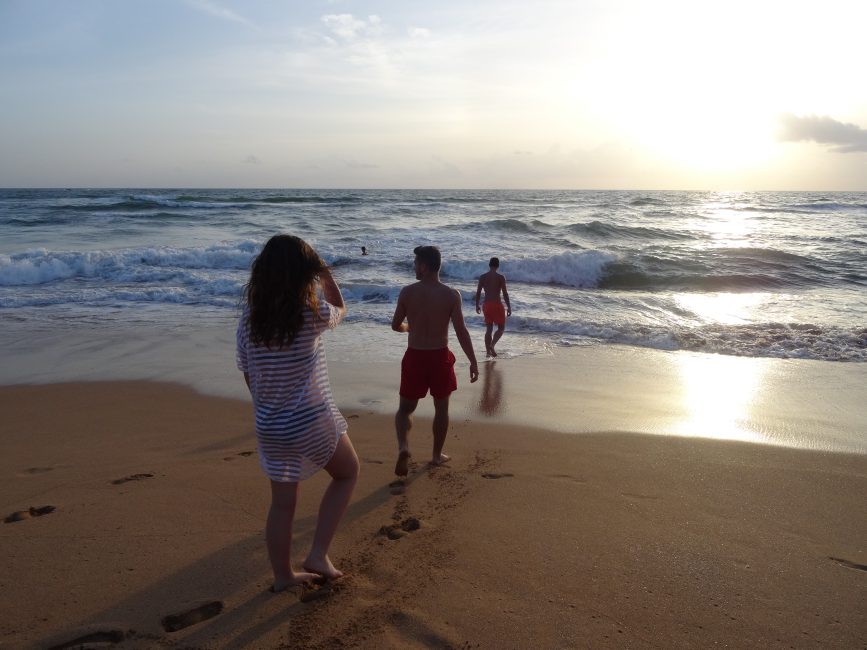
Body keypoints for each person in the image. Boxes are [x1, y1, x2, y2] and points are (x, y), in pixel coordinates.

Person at [236, 234, 359, 592]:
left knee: (282, 505)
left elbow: (248, 373)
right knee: (347, 473)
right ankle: (318, 553)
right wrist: (325, 274)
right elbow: (340, 309)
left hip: (269, 423)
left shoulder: (249, 320)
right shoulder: (311, 313)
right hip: (309, 417)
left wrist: (268, 407)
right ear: (303, 274)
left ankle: (283, 577)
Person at [391, 245, 479, 476]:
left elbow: (395, 325)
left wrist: (408, 327)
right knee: (441, 408)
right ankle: (436, 455)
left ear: (424, 265)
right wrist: (473, 361)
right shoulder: (451, 295)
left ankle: (403, 448)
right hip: (440, 357)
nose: (413, 268)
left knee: (404, 410)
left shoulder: (407, 292)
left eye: (415, 263)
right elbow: (461, 332)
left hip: (415, 356)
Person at [475, 257, 512, 357]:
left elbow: (478, 292)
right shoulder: (501, 277)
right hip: (497, 305)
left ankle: (488, 352)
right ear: (498, 265)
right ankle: (492, 345)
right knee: (501, 328)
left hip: (486, 305)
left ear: (489, 265)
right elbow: (505, 294)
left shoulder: (483, 277)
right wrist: (509, 306)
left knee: (489, 329)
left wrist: (477, 305)